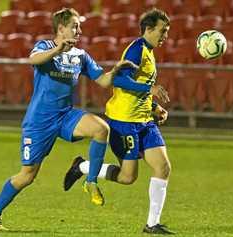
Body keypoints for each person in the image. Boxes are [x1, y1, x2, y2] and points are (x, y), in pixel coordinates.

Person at [0, 8, 137, 231]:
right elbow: (33, 60)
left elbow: (103, 82)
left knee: (101, 129)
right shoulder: (46, 47)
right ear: (61, 28)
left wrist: (115, 70)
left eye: (79, 26)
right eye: (75, 26)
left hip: (66, 115)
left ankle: (91, 181)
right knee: (27, 176)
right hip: (39, 121)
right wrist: (57, 49)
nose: (79, 30)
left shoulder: (80, 55)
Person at [64, 8, 175, 235]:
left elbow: (137, 89)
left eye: (167, 32)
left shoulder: (149, 51)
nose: (165, 36)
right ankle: (82, 166)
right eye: (163, 31)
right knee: (127, 177)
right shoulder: (136, 50)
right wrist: (150, 89)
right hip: (123, 122)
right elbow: (120, 80)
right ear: (149, 29)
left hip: (144, 121)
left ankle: (152, 224)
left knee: (163, 167)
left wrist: (153, 107)